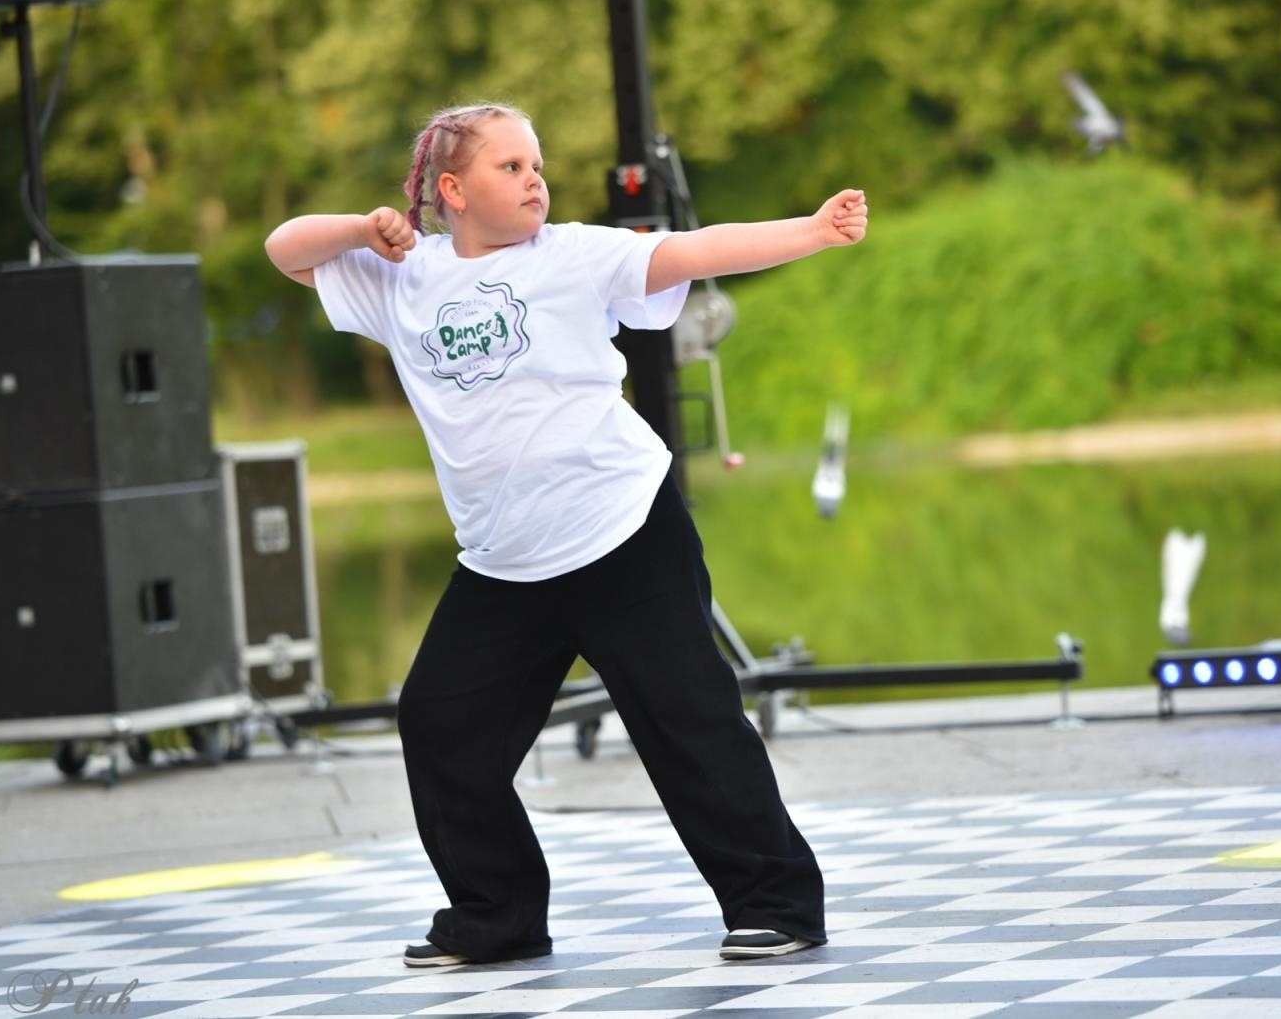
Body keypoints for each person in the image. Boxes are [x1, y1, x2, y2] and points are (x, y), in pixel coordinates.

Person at [264, 102, 867, 968]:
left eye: (536, 164)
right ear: (451, 190)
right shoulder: (401, 277)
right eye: (508, 167)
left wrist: (811, 232)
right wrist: (364, 227)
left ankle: (777, 904)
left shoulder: (578, 255)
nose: (534, 178)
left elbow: (697, 251)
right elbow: (286, 248)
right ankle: (496, 917)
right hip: (504, 564)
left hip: (622, 530)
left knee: (690, 722)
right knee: (440, 728)